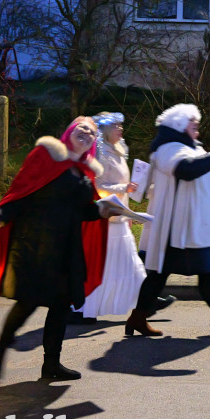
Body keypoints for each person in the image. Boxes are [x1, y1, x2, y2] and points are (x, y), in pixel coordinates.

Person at [0, 117, 114, 381]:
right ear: (69, 131)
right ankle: (2, 344)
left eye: (92, 132)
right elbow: (24, 190)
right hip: (37, 244)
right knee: (29, 301)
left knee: (61, 305)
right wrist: (1, 214)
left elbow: (81, 211)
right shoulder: (47, 155)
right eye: (82, 128)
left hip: (67, 247)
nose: (87, 133)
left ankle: (51, 364)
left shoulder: (83, 170)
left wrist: (103, 211)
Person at [127, 104, 210, 339]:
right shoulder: (167, 149)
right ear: (179, 125)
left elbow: (204, 171)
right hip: (177, 229)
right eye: (193, 125)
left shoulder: (190, 147)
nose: (197, 130)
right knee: (187, 273)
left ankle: (138, 318)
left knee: (171, 274)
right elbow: (186, 170)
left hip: (192, 227)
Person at [75, 112, 167, 322]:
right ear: (106, 130)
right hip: (107, 219)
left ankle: (146, 302)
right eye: (116, 126)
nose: (121, 129)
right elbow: (98, 186)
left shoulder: (118, 151)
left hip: (120, 216)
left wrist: (127, 208)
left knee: (130, 263)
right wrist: (123, 188)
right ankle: (84, 308)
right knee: (109, 265)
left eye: (121, 125)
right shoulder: (100, 153)